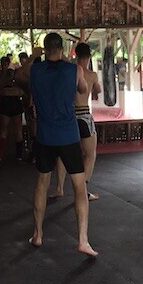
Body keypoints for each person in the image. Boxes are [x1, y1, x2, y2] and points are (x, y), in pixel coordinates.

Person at [29, 33, 97, 258]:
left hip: (45, 136)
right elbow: (83, 90)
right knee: (79, 186)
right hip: (68, 136)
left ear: (45, 48)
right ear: (63, 48)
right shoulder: (74, 70)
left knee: (42, 182)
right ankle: (83, 241)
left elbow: (22, 76)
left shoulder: (35, 70)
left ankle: (38, 234)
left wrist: (34, 57)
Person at [52, 41, 101, 200]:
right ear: (89, 56)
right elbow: (98, 90)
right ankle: (83, 190)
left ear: (76, 55)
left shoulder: (68, 72)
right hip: (84, 116)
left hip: (68, 116)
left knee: (62, 153)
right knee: (90, 154)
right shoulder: (91, 75)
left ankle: (59, 188)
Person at [15, 48, 43, 161]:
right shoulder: (42, 74)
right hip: (41, 105)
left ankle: (36, 154)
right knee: (37, 130)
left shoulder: (33, 75)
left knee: (34, 130)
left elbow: (18, 75)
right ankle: (37, 154)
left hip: (34, 105)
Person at [0, 56, 25, 161]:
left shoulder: (3, 76)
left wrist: (0, 102)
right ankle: (17, 156)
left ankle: (3, 155)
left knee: (10, 130)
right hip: (12, 101)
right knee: (13, 130)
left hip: (8, 102)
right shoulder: (8, 75)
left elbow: (1, 92)